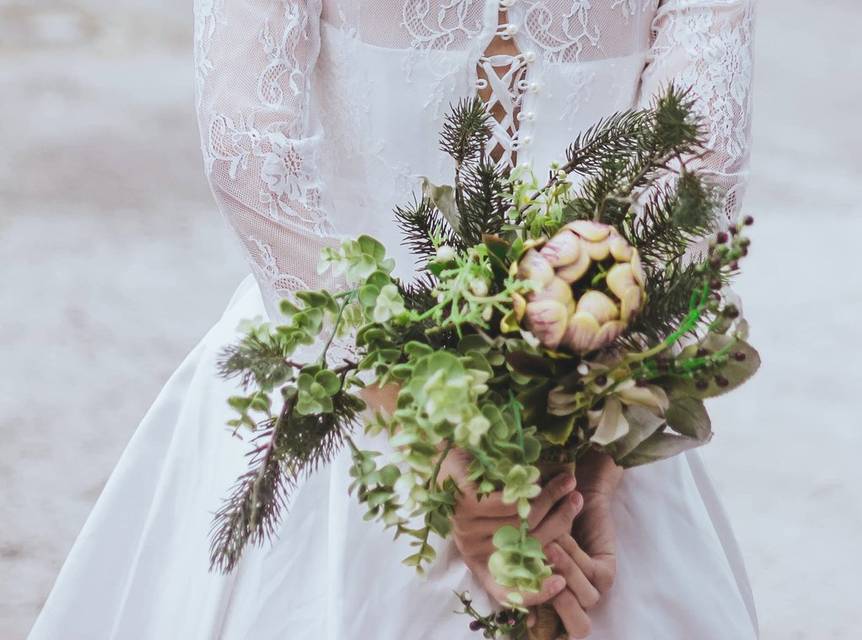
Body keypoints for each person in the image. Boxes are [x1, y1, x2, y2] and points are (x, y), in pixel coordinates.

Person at [29, 1, 758, 638]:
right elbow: (695, 180)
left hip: (343, 403)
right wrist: (585, 447)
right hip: (578, 422)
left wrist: (444, 443)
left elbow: (252, 153)